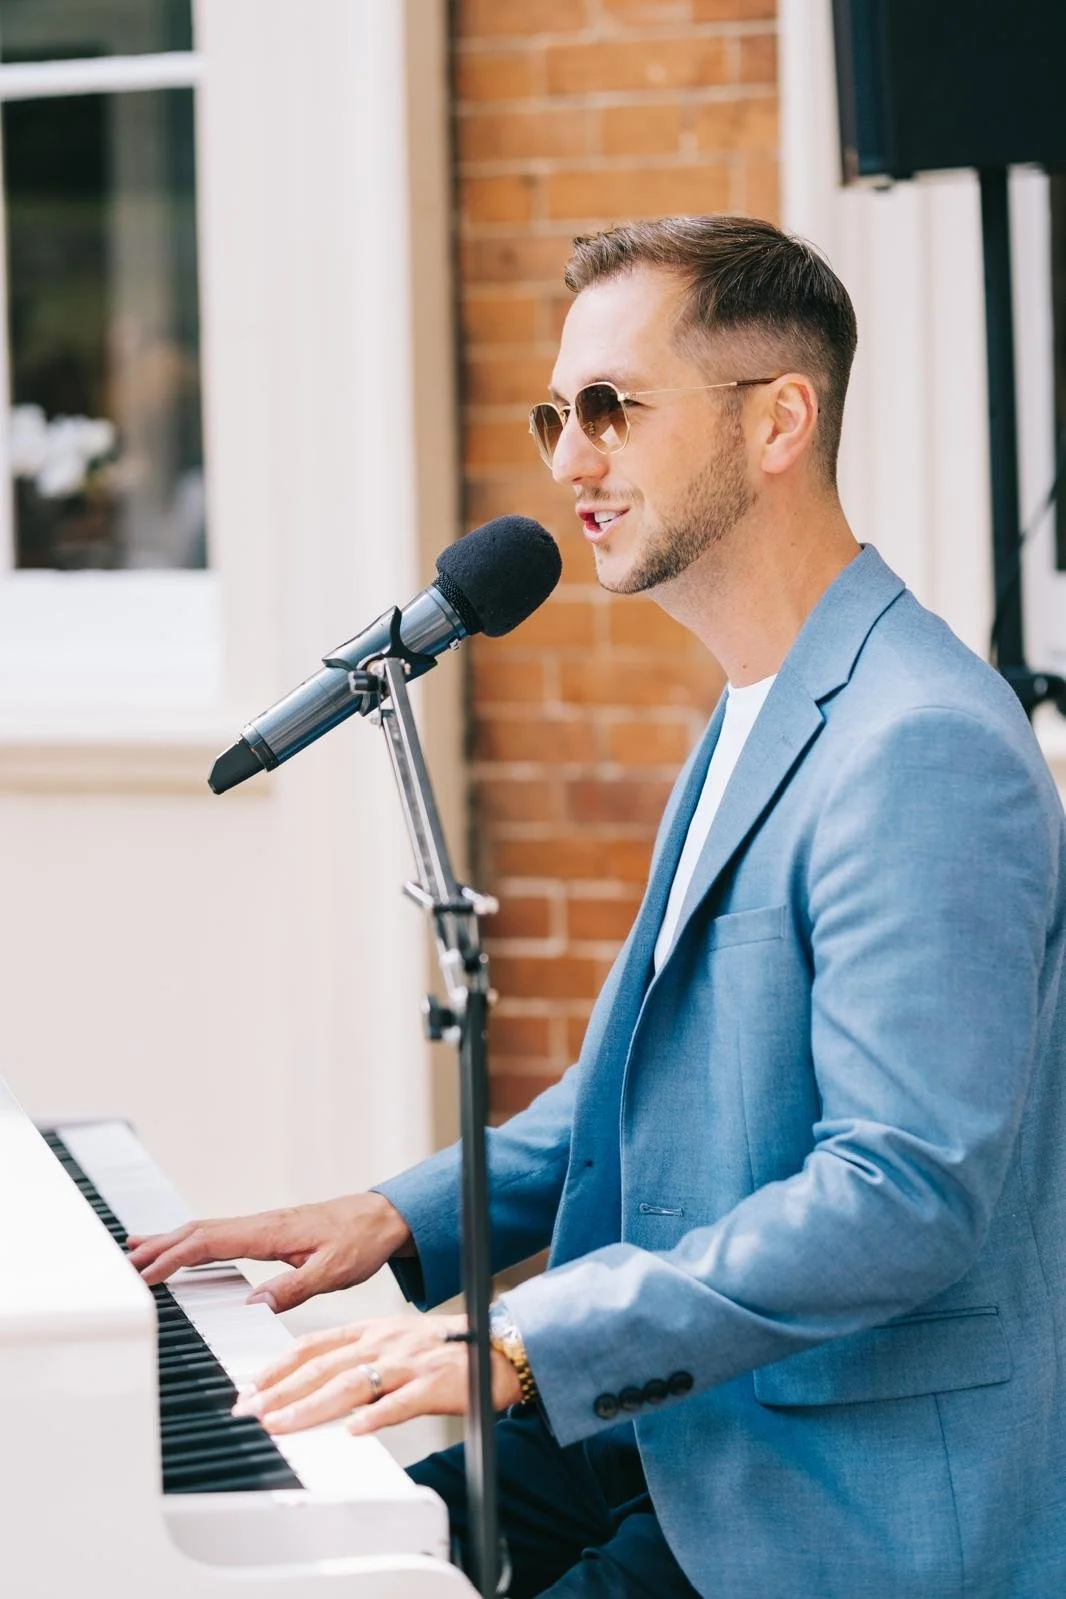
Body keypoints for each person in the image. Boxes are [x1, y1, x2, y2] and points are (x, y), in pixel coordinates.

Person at [128, 215, 1066, 1599]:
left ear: (777, 421)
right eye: (557, 413)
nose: (569, 458)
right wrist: (393, 1220)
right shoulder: (761, 701)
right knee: (286, 1556)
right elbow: (636, 1084)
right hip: (669, 1426)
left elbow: (902, 1190)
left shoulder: (915, 741)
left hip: (825, 1500)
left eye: (612, 409)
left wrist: (521, 1341)